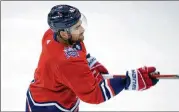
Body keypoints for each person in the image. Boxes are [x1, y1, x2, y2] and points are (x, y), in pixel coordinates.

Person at [25, 4, 159, 112]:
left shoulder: (52, 34)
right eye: (77, 27)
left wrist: (90, 63)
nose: (82, 29)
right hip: (51, 106)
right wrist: (128, 81)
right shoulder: (67, 62)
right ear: (64, 34)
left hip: (44, 91)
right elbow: (94, 94)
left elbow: (76, 54)